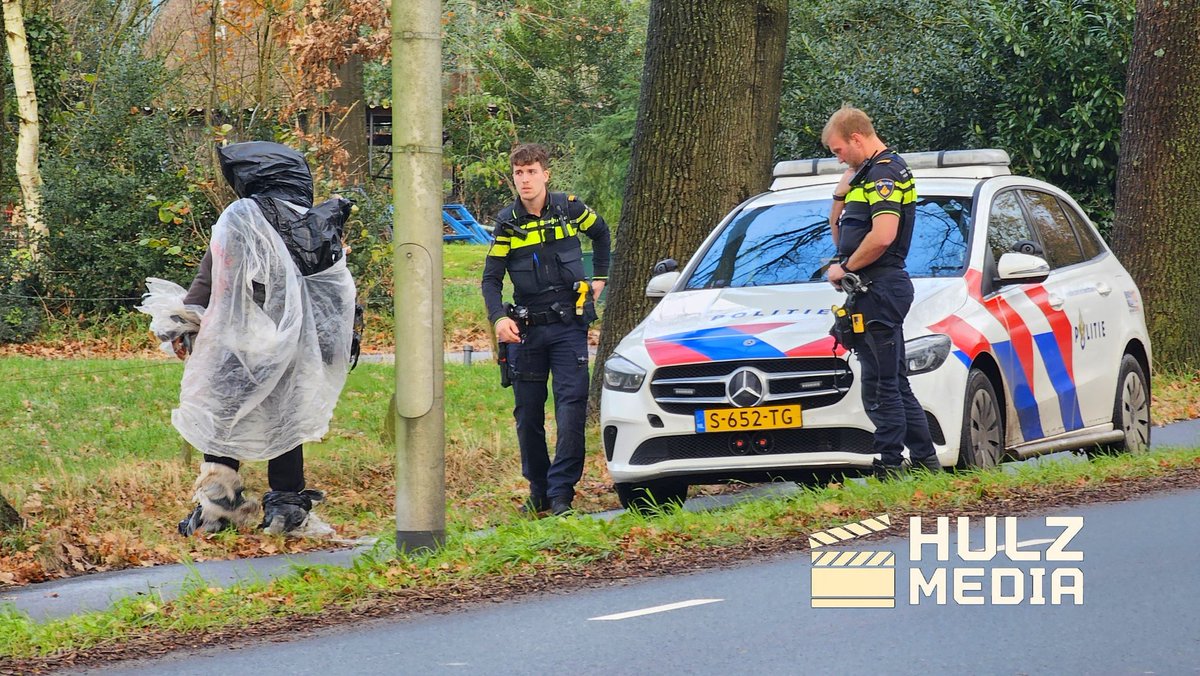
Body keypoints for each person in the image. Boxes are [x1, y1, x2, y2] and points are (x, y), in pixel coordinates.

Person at [144, 141, 357, 536]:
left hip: (235, 343)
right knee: (285, 421)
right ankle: (286, 509)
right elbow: (334, 294)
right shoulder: (315, 222)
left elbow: (211, 275)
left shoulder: (241, 217)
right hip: (292, 345)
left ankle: (216, 509)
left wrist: (183, 323)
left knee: (222, 417)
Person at [481, 143, 611, 516]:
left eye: (532, 171)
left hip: (569, 327)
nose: (525, 179)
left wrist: (600, 277)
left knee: (570, 410)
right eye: (519, 173)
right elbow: (491, 279)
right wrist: (498, 319)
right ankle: (538, 491)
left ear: (545, 174)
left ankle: (561, 495)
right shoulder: (507, 222)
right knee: (528, 415)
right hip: (526, 331)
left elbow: (601, 233)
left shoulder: (569, 208)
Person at [822, 106, 940, 479]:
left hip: (881, 285)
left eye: (839, 150)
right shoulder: (867, 174)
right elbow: (842, 235)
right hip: (871, 287)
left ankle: (889, 463)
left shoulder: (885, 173)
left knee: (883, 384)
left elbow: (883, 235)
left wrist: (847, 268)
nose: (838, 157)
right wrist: (841, 195)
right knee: (887, 379)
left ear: (857, 138)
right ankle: (925, 461)